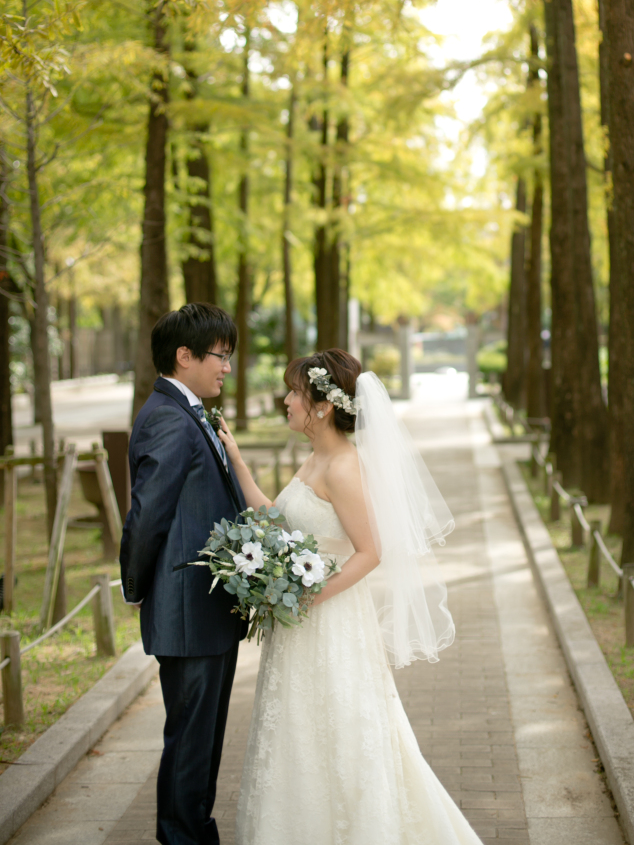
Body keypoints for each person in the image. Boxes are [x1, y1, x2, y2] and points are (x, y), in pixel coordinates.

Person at [217, 347, 483, 845]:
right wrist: (236, 462)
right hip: (299, 618)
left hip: (330, 618)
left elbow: (371, 551)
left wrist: (308, 598)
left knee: (338, 729)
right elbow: (279, 521)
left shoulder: (342, 466)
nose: (286, 401)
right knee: (297, 730)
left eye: (295, 393)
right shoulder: (315, 457)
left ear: (322, 406)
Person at [120, 302, 247, 845]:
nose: (226, 367)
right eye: (220, 356)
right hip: (188, 610)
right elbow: (148, 514)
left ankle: (196, 830)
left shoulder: (189, 411)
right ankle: (182, 837)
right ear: (185, 356)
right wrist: (134, 585)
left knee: (204, 742)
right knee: (191, 743)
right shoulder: (170, 418)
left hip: (207, 608)